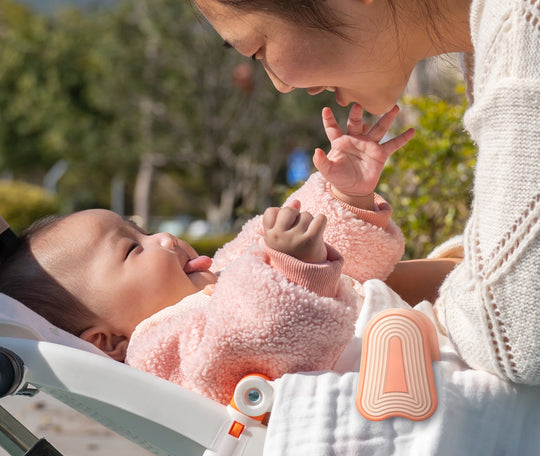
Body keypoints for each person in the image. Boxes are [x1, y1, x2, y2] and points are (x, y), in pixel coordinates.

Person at [192, 0, 540, 385]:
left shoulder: (523, 37)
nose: (280, 84)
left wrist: (379, 308)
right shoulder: (503, 39)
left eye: (258, 49)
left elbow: (516, 333)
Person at [0, 106, 413, 404]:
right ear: (107, 341)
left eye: (143, 231)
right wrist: (295, 270)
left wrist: (346, 195)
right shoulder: (161, 352)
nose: (164, 238)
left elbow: (306, 239)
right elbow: (254, 344)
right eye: (132, 249)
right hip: (395, 384)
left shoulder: (224, 274)